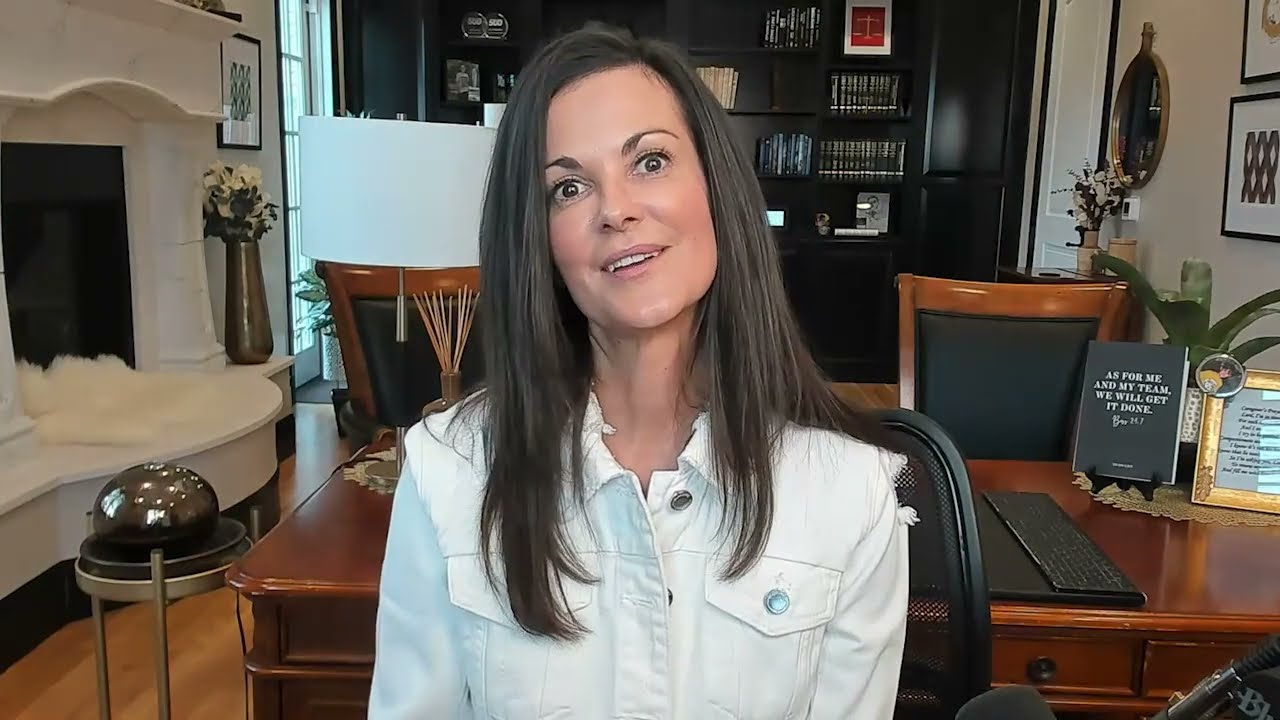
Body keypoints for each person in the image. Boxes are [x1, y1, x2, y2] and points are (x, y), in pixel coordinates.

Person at [368, 23, 913, 719]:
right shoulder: (450, 471)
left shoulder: (852, 491)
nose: (617, 209)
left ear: (716, 187)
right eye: (568, 189)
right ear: (536, 237)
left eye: (650, 162)